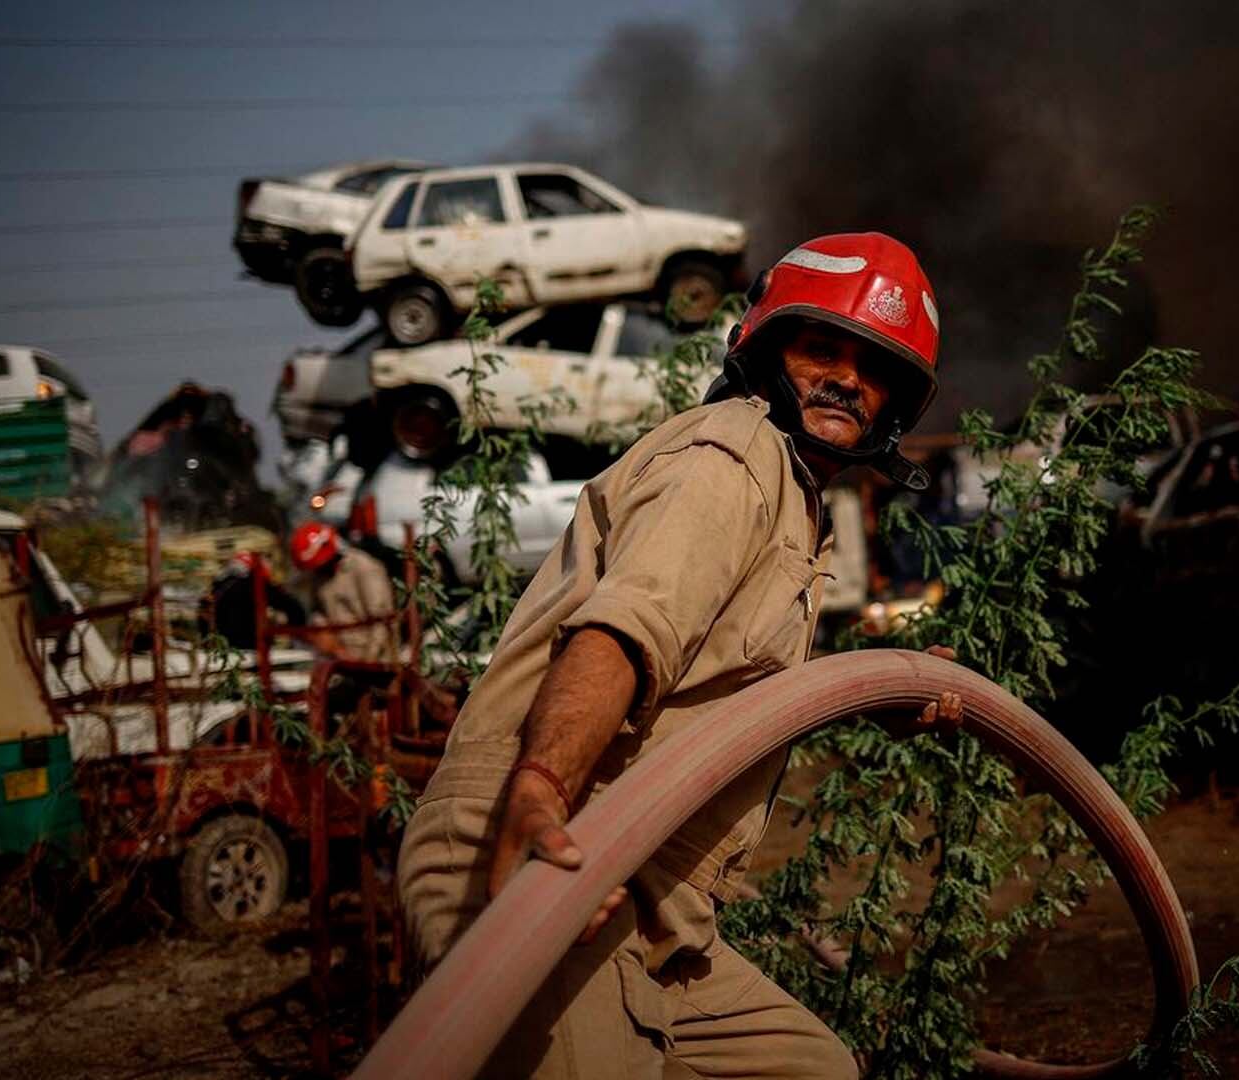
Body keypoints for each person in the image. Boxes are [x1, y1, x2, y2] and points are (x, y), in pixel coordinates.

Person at [399, 233, 963, 1079]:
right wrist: (542, 790)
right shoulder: (733, 457)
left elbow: (722, 685)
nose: (848, 378)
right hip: (550, 838)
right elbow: (626, 630)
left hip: (651, 894)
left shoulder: (792, 507)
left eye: (873, 366)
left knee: (814, 1071)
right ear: (764, 350)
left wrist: (874, 689)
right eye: (822, 349)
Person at [289, 522, 397, 664]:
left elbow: (381, 620)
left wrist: (368, 661)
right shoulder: (319, 576)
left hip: (374, 657)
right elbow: (317, 611)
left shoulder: (364, 568)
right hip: (337, 657)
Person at [205, 550, 306, 650]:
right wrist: (296, 635)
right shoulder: (254, 583)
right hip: (253, 651)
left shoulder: (218, 588)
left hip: (223, 651)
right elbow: (293, 608)